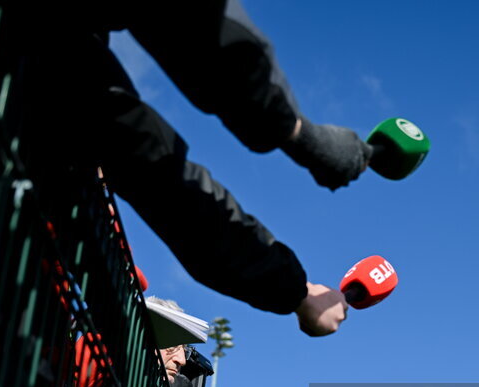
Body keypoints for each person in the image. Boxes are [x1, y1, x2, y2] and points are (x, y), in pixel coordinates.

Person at [20, 0, 368, 336]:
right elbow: (155, 168)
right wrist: (298, 134)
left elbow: (144, 157)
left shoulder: (69, 64)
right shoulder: (66, 64)